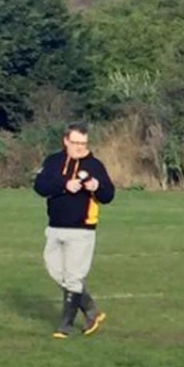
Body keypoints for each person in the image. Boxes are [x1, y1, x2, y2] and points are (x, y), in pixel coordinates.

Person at [33, 122, 116, 338]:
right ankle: (91, 310)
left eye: (84, 143)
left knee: (73, 277)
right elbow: (40, 187)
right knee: (55, 271)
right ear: (66, 141)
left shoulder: (95, 165)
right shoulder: (53, 161)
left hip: (82, 229)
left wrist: (97, 186)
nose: (80, 147)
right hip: (54, 227)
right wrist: (64, 185)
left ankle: (65, 326)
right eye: (76, 143)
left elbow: (108, 196)